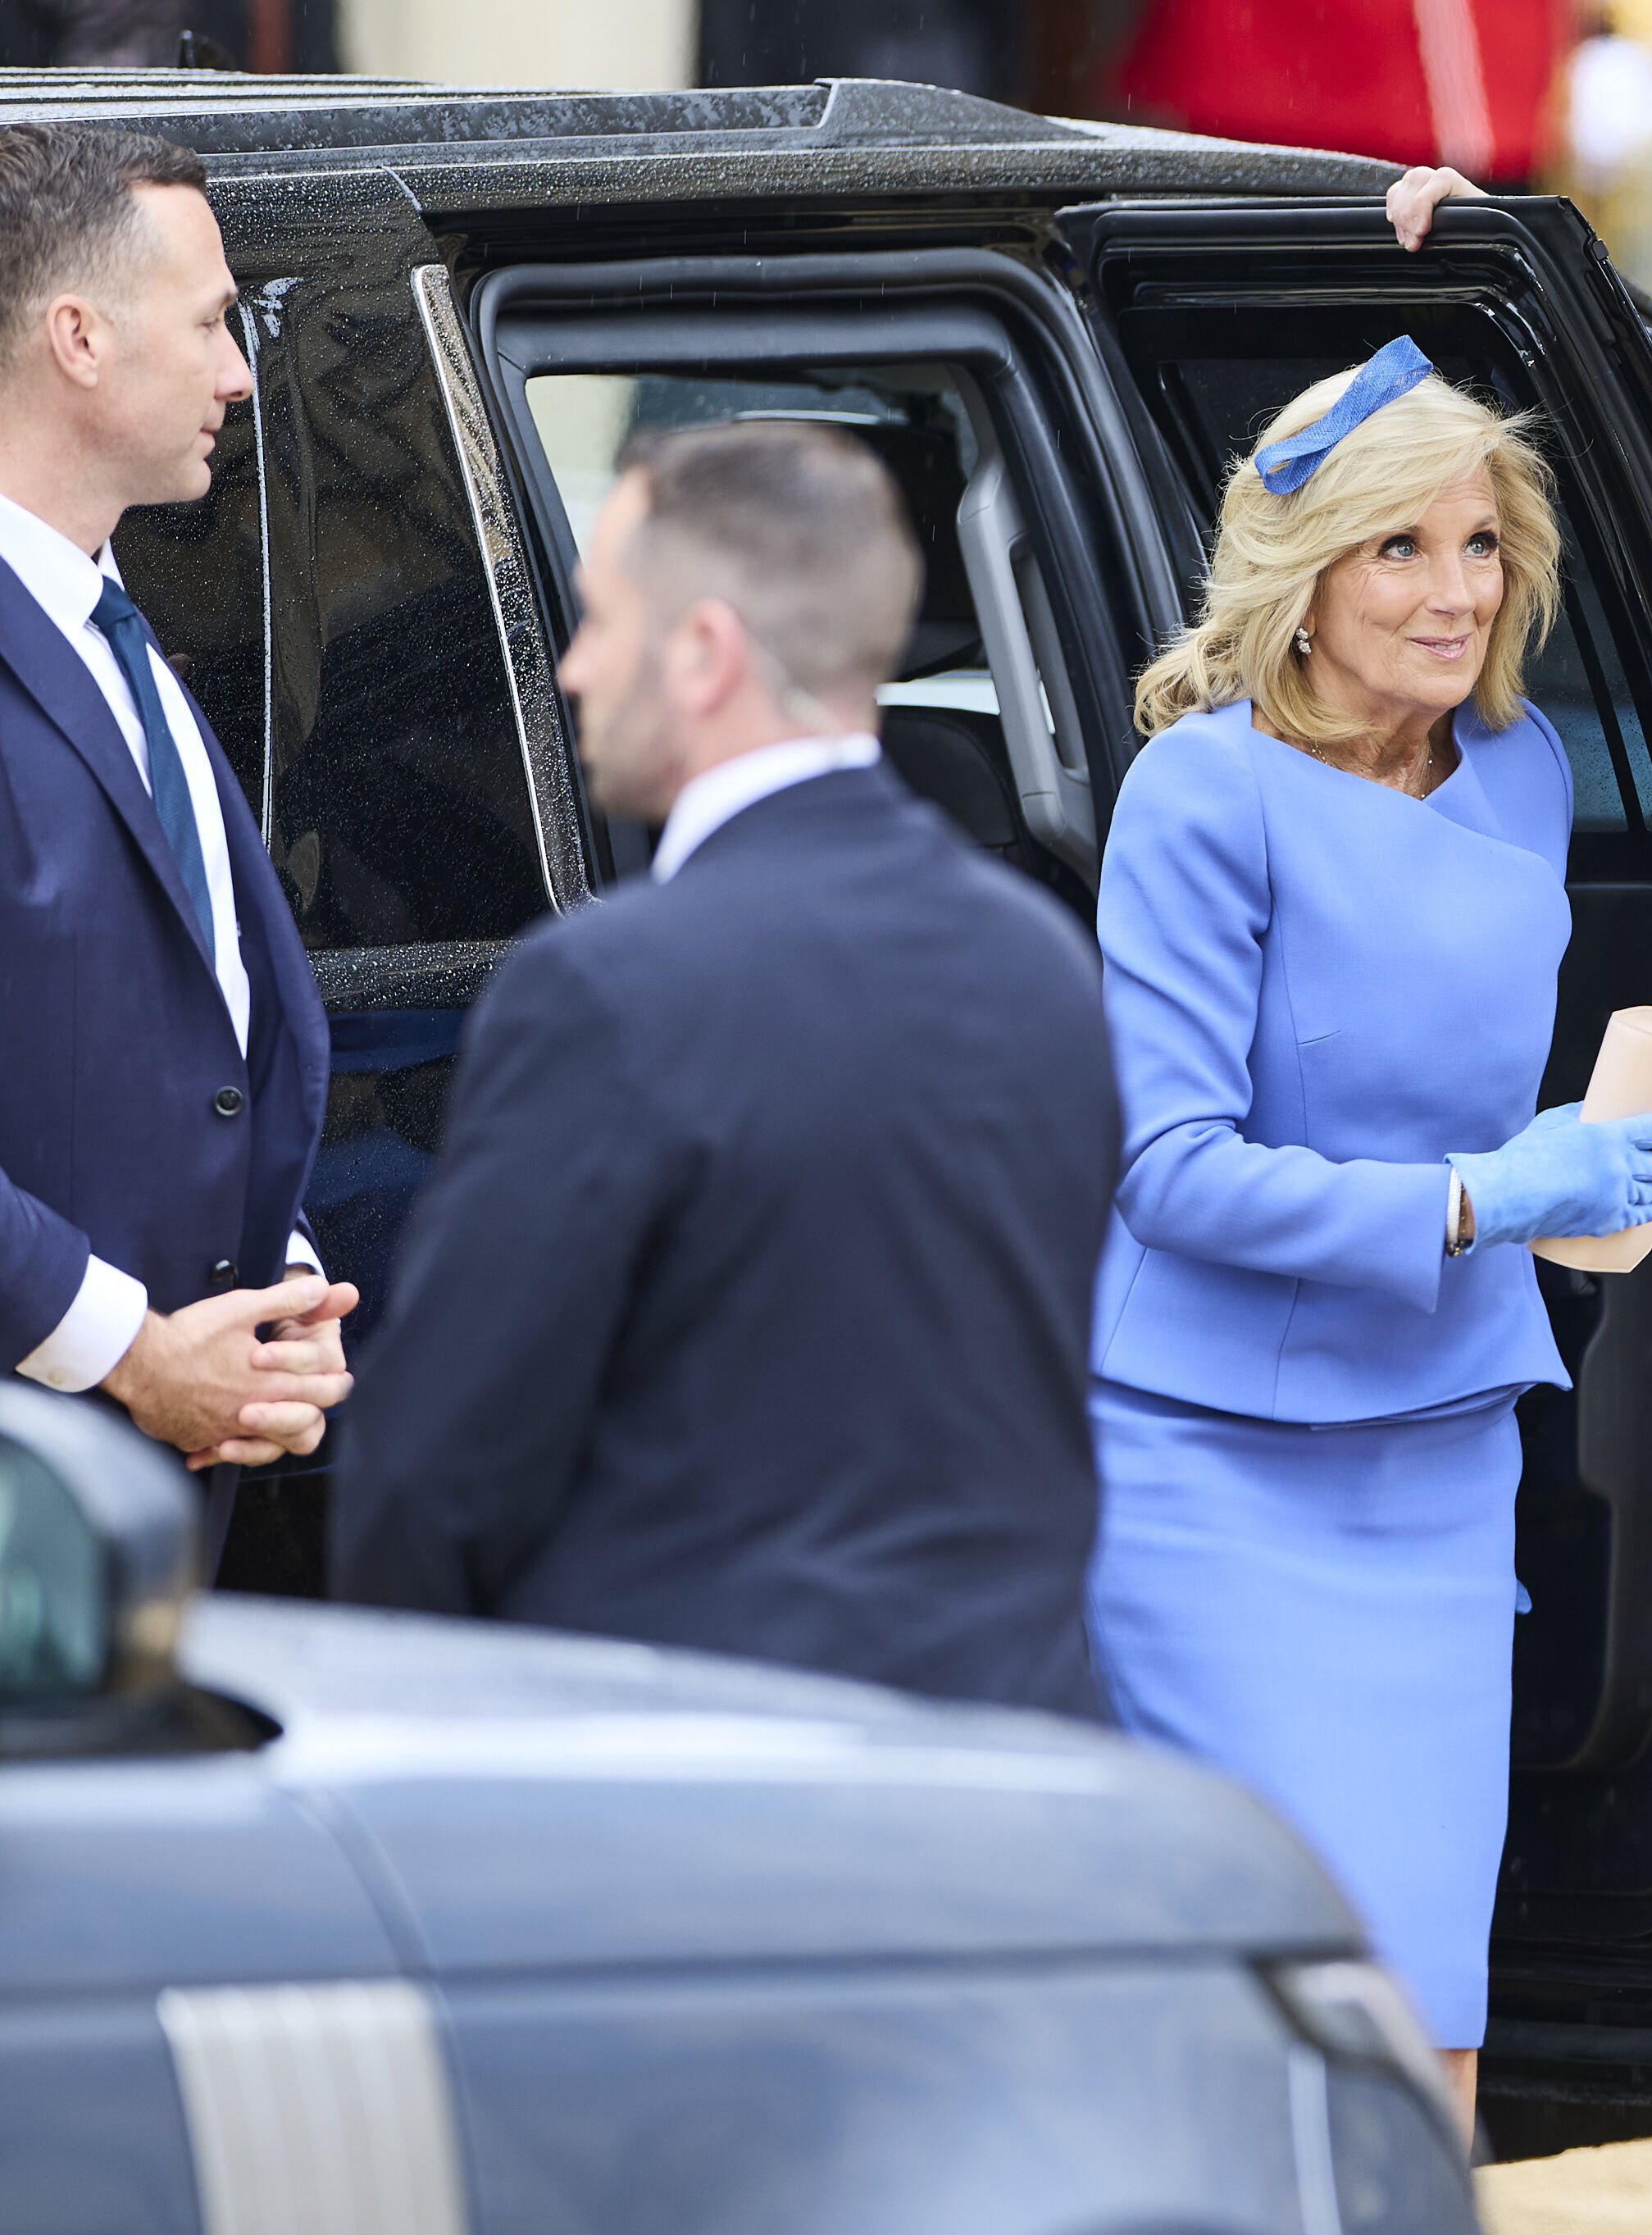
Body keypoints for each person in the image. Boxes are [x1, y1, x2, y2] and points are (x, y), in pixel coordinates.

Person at [1078, 343, 1652, 2129]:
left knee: (1429, 2004)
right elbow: (1168, 1168)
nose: (1454, 589)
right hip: (1213, 1466)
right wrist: (1486, 1197)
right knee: (1268, 1996)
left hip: (1438, 1459)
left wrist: (1605, 1163)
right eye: (1398, 549)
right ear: (1306, 575)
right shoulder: (1202, 793)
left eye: (1481, 543)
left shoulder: (1521, 773)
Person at [329, 420, 1120, 1723]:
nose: (573, 668)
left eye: (596, 621)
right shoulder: (1040, 962)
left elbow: (438, 1472)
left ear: (703, 654)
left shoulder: (606, 990)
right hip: (1010, 1763)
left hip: (704, 1792)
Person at [0, 123, 353, 1550]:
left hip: (136, 1510)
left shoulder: (119, 630)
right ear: (77, 335)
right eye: (211, 321)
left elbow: (206, 1018)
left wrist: (279, 1289)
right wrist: (132, 1354)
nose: (239, 373)